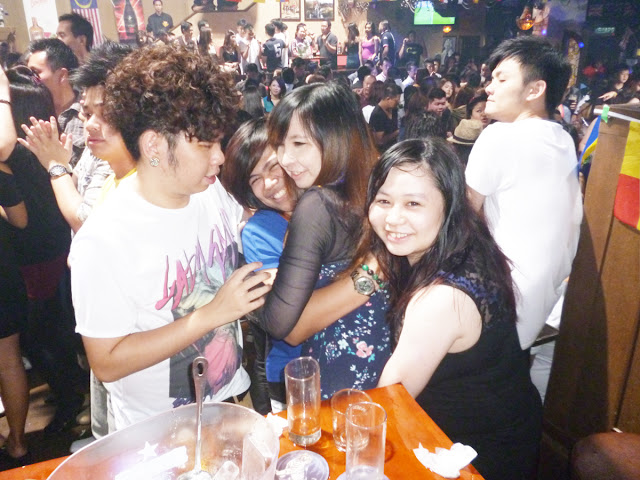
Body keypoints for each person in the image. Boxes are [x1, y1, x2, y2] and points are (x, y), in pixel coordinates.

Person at [68, 45, 271, 430]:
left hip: (231, 397)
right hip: (161, 430)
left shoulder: (208, 190)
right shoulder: (104, 238)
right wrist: (211, 315)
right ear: (154, 146)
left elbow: (243, 228)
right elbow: (107, 361)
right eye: (205, 144)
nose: (219, 157)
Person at [367, 138, 543, 480]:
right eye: (383, 200)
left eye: (413, 203)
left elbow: (385, 405)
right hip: (510, 421)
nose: (393, 218)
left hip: (473, 456)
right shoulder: (466, 245)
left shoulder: (441, 299)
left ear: (449, 206)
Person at [465, 36, 582, 397]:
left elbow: (462, 217)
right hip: (547, 302)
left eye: (501, 79)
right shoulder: (563, 139)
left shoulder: (500, 137)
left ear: (535, 89)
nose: (489, 88)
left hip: (501, 304)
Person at [258, 82, 392, 399]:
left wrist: (252, 295)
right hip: (389, 364)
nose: (285, 159)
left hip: (341, 371)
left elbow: (279, 324)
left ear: (337, 135)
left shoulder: (318, 205)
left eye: (299, 143)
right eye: (279, 145)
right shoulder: (382, 185)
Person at [4, 66, 87, 435]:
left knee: (40, 340)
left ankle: (69, 400)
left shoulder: (13, 157)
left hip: (36, 257)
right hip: (56, 247)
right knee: (57, 331)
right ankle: (71, 390)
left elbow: (20, 220)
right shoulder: (44, 150)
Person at [0, 66, 29, 465]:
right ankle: (19, 442)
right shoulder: (2, 168)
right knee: (9, 357)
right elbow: (21, 221)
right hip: (4, 271)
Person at [27, 38, 85, 168]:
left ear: (62, 75)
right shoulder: (32, 113)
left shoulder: (87, 114)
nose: (29, 79)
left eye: (35, 73)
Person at [369, 82, 401, 152]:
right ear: (388, 99)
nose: (398, 102)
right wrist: (397, 132)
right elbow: (379, 141)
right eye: (396, 100)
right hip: (382, 151)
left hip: (394, 148)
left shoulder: (394, 110)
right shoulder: (377, 114)